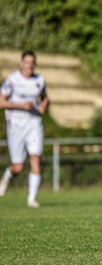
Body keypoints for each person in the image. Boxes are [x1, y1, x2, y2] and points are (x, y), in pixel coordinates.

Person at [0, 50, 50, 208]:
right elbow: (1, 102)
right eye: (27, 62)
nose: (30, 65)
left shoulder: (39, 80)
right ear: (21, 63)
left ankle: (32, 199)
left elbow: (45, 97)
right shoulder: (12, 80)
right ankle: (8, 175)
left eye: (32, 62)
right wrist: (21, 105)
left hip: (33, 125)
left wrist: (43, 105)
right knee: (19, 166)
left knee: (35, 157)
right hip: (16, 126)